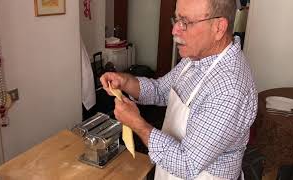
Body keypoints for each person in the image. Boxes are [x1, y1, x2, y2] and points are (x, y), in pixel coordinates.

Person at [100, 0, 257, 179]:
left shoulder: (229, 89)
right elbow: (160, 90)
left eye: (185, 22)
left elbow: (186, 163)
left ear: (219, 28)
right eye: (176, 20)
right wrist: (126, 82)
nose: (174, 31)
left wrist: (137, 124)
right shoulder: (195, 58)